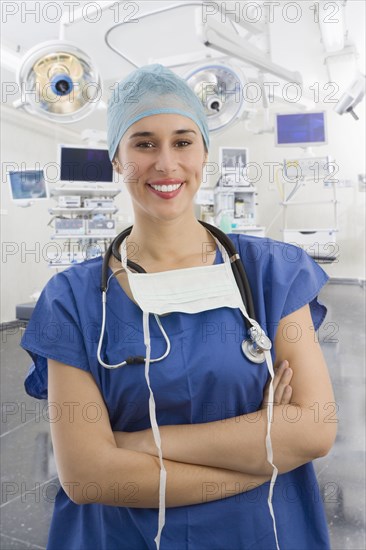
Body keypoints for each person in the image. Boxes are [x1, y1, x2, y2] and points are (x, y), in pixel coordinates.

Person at [21, 64, 337, 550]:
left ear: (204, 153)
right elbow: (89, 476)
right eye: (144, 143)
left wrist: (137, 445)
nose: (165, 163)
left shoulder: (272, 272)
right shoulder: (73, 299)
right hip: (124, 536)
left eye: (183, 141)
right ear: (115, 160)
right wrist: (263, 456)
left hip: (261, 532)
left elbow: (313, 429)